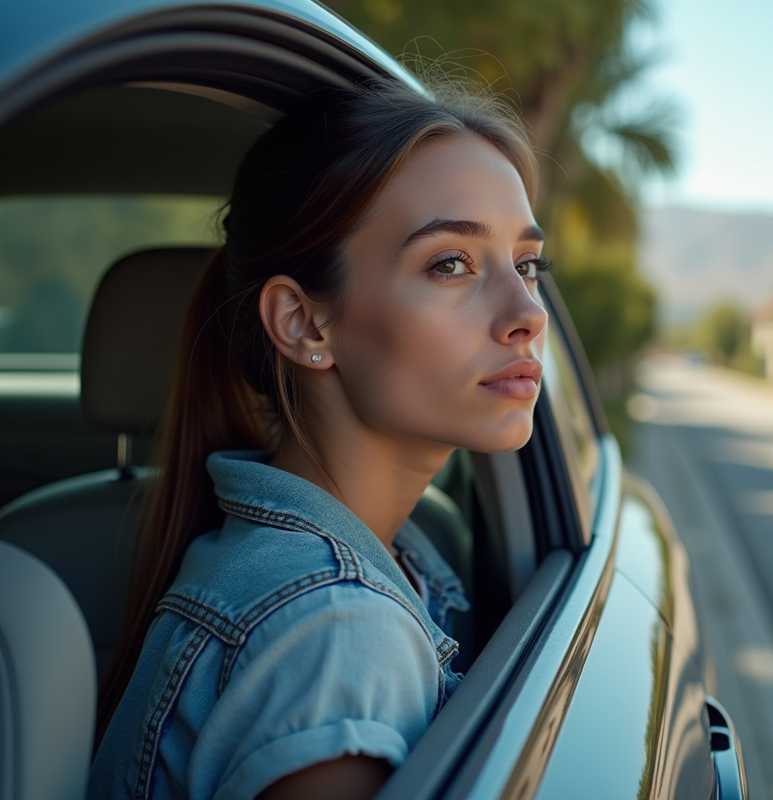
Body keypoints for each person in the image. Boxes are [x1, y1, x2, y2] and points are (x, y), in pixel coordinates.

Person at [88, 79, 548, 800]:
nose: (527, 313)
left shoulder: (353, 561)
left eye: (527, 265)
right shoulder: (337, 632)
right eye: (450, 263)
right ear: (305, 325)